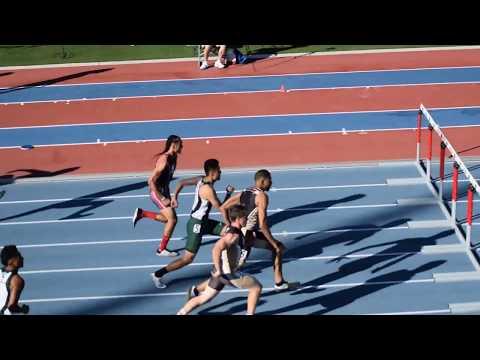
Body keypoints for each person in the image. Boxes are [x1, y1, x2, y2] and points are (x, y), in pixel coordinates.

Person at [151, 159, 235, 288]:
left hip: (204, 222)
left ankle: (224, 269)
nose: (220, 172)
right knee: (187, 259)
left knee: (230, 234)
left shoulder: (201, 179)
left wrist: (174, 197)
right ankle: (158, 274)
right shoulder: (208, 189)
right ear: (212, 172)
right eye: (219, 170)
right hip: (196, 225)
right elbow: (221, 208)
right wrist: (228, 220)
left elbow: (181, 182)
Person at [177, 204, 262, 315]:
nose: (246, 220)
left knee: (204, 298)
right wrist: (218, 269)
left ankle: (181, 313)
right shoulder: (233, 235)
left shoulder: (230, 229)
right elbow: (216, 248)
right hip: (228, 273)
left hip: (221, 273)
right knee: (256, 288)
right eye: (244, 218)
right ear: (238, 219)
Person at [219, 169, 290, 290]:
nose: (271, 183)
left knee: (227, 271)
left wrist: (230, 226)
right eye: (269, 180)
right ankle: (278, 283)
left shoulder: (245, 192)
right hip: (246, 237)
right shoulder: (262, 196)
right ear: (263, 181)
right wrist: (273, 242)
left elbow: (223, 207)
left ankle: (279, 282)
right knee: (277, 248)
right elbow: (263, 224)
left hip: (244, 234)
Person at [132, 135, 183, 257]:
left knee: (168, 220)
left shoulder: (174, 157)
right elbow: (150, 181)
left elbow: (166, 180)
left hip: (164, 191)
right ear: (173, 145)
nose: (182, 147)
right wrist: (162, 197)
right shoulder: (164, 160)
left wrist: (171, 197)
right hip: (156, 193)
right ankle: (161, 250)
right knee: (172, 219)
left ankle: (142, 213)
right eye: (180, 144)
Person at [1, 245, 29, 315]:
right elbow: (11, 307)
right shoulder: (17, 281)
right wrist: (23, 309)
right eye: (18, 256)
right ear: (10, 261)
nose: (22, 258)